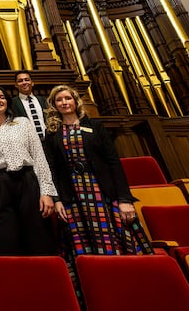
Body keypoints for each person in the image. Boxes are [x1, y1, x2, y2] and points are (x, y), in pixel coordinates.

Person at [43, 85, 151, 285]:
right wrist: (57, 200)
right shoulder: (52, 133)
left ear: (76, 101)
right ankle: (95, 284)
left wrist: (124, 199)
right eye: (59, 100)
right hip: (72, 195)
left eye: (68, 98)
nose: (64, 103)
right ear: (54, 105)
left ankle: (124, 281)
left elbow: (113, 163)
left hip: (101, 190)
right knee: (81, 244)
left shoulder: (95, 126)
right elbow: (53, 169)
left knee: (111, 239)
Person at [0, 85, 58, 255]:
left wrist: (46, 192)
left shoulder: (23, 123)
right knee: (6, 240)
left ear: (8, 101)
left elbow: (39, 157)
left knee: (37, 236)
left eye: (2, 97)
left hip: (27, 182)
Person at [10, 70, 48, 141]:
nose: (24, 83)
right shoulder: (11, 103)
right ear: (16, 85)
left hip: (47, 141)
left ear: (32, 83)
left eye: (27, 80)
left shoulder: (43, 101)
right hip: (27, 142)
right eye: (20, 81)